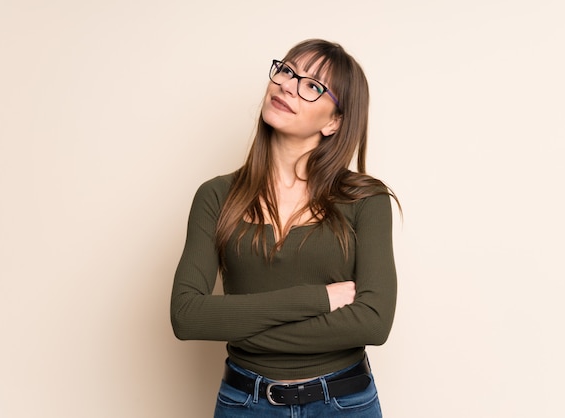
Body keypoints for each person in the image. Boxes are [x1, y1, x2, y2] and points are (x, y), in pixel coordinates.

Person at [171, 39, 399, 417]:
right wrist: (318, 299)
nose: (288, 85)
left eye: (312, 86)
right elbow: (186, 315)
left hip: (343, 404)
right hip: (246, 403)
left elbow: (374, 323)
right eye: (287, 71)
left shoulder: (366, 200)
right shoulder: (216, 196)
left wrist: (234, 322)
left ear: (334, 122)